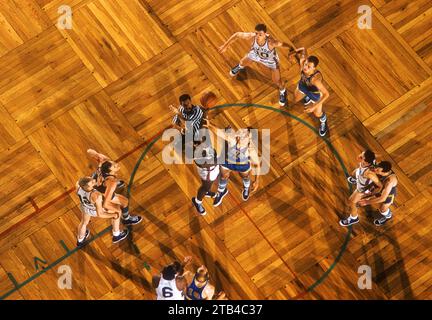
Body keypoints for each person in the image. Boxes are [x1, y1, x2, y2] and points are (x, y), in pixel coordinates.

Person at [218, 23, 295, 107]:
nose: (257, 36)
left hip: (270, 61)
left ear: (265, 34)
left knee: (277, 81)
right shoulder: (252, 36)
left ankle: (283, 91)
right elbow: (237, 35)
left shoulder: (271, 42)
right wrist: (226, 45)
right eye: (256, 33)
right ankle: (239, 67)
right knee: (243, 62)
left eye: (260, 34)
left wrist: (292, 52)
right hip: (256, 55)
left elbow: (286, 45)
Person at [207, 125, 260, 206]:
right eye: (243, 132)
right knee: (223, 177)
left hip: (242, 166)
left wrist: (257, 180)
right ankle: (221, 192)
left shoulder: (250, 149)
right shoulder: (232, 140)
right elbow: (219, 133)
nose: (242, 135)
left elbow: (257, 165)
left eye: (246, 135)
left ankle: (246, 188)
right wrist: (209, 125)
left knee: (245, 177)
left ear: (249, 139)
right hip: (228, 162)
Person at [87, 149, 142, 225]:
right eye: (114, 166)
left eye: (114, 163)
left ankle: (124, 220)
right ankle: (125, 221)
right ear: (110, 171)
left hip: (95, 187)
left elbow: (89, 151)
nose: (117, 165)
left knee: (123, 201)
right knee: (123, 203)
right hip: (99, 195)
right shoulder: (111, 182)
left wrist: (97, 154)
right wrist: (116, 210)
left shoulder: (104, 162)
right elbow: (105, 204)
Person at [76, 176, 129, 247]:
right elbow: (100, 214)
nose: (94, 180)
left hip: (85, 207)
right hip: (94, 210)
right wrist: (113, 215)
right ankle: (117, 235)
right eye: (92, 182)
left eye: (91, 179)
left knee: (83, 223)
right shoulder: (96, 195)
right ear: (87, 186)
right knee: (117, 211)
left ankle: (80, 240)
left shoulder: (78, 186)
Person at [289, 47, 330, 136]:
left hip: (315, 95)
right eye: (306, 64)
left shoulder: (315, 80)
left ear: (314, 68)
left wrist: (314, 105)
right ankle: (306, 98)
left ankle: (323, 120)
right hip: (303, 86)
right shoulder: (303, 61)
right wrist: (292, 53)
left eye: (309, 66)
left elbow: (327, 94)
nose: (305, 67)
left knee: (317, 114)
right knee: (295, 99)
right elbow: (303, 48)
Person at [339, 150, 382, 227]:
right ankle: (356, 179)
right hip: (361, 179)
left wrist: (372, 194)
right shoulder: (367, 160)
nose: (359, 156)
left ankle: (354, 218)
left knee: (351, 202)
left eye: (362, 156)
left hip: (361, 189)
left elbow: (379, 185)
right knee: (355, 172)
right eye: (361, 154)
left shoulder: (369, 173)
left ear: (367, 162)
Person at [357, 161, 397, 226]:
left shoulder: (390, 182)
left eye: (378, 170)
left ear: (384, 172)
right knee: (370, 193)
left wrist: (366, 202)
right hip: (380, 187)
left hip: (388, 194)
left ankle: (388, 216)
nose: (376, 170)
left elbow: (383, 198)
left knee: (383, 209)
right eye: (377, 167)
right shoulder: (383, 168)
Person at [192, 145, 219, 216]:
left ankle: (206, 192)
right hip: (208, 173)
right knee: (205, 187)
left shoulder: (202, 144)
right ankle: (197, 202)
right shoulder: (197, 155)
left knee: (208, 185)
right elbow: (213, 161)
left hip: (211, 169)